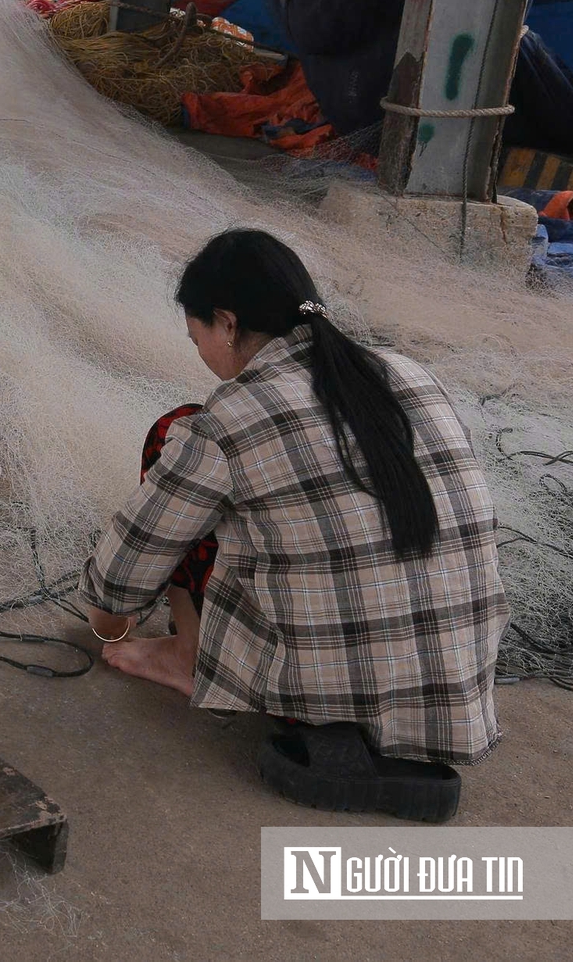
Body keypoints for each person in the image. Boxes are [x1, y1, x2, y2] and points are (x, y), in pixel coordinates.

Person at [82, 230, 507, 822]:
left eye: (197, 335)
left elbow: (119, 582)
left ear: (227, 324)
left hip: (319, 691)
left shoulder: (227, 422)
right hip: (455, 687)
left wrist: (107, 627)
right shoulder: (408, 374)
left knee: (173, 432)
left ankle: (187, 654)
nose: (200, 352)